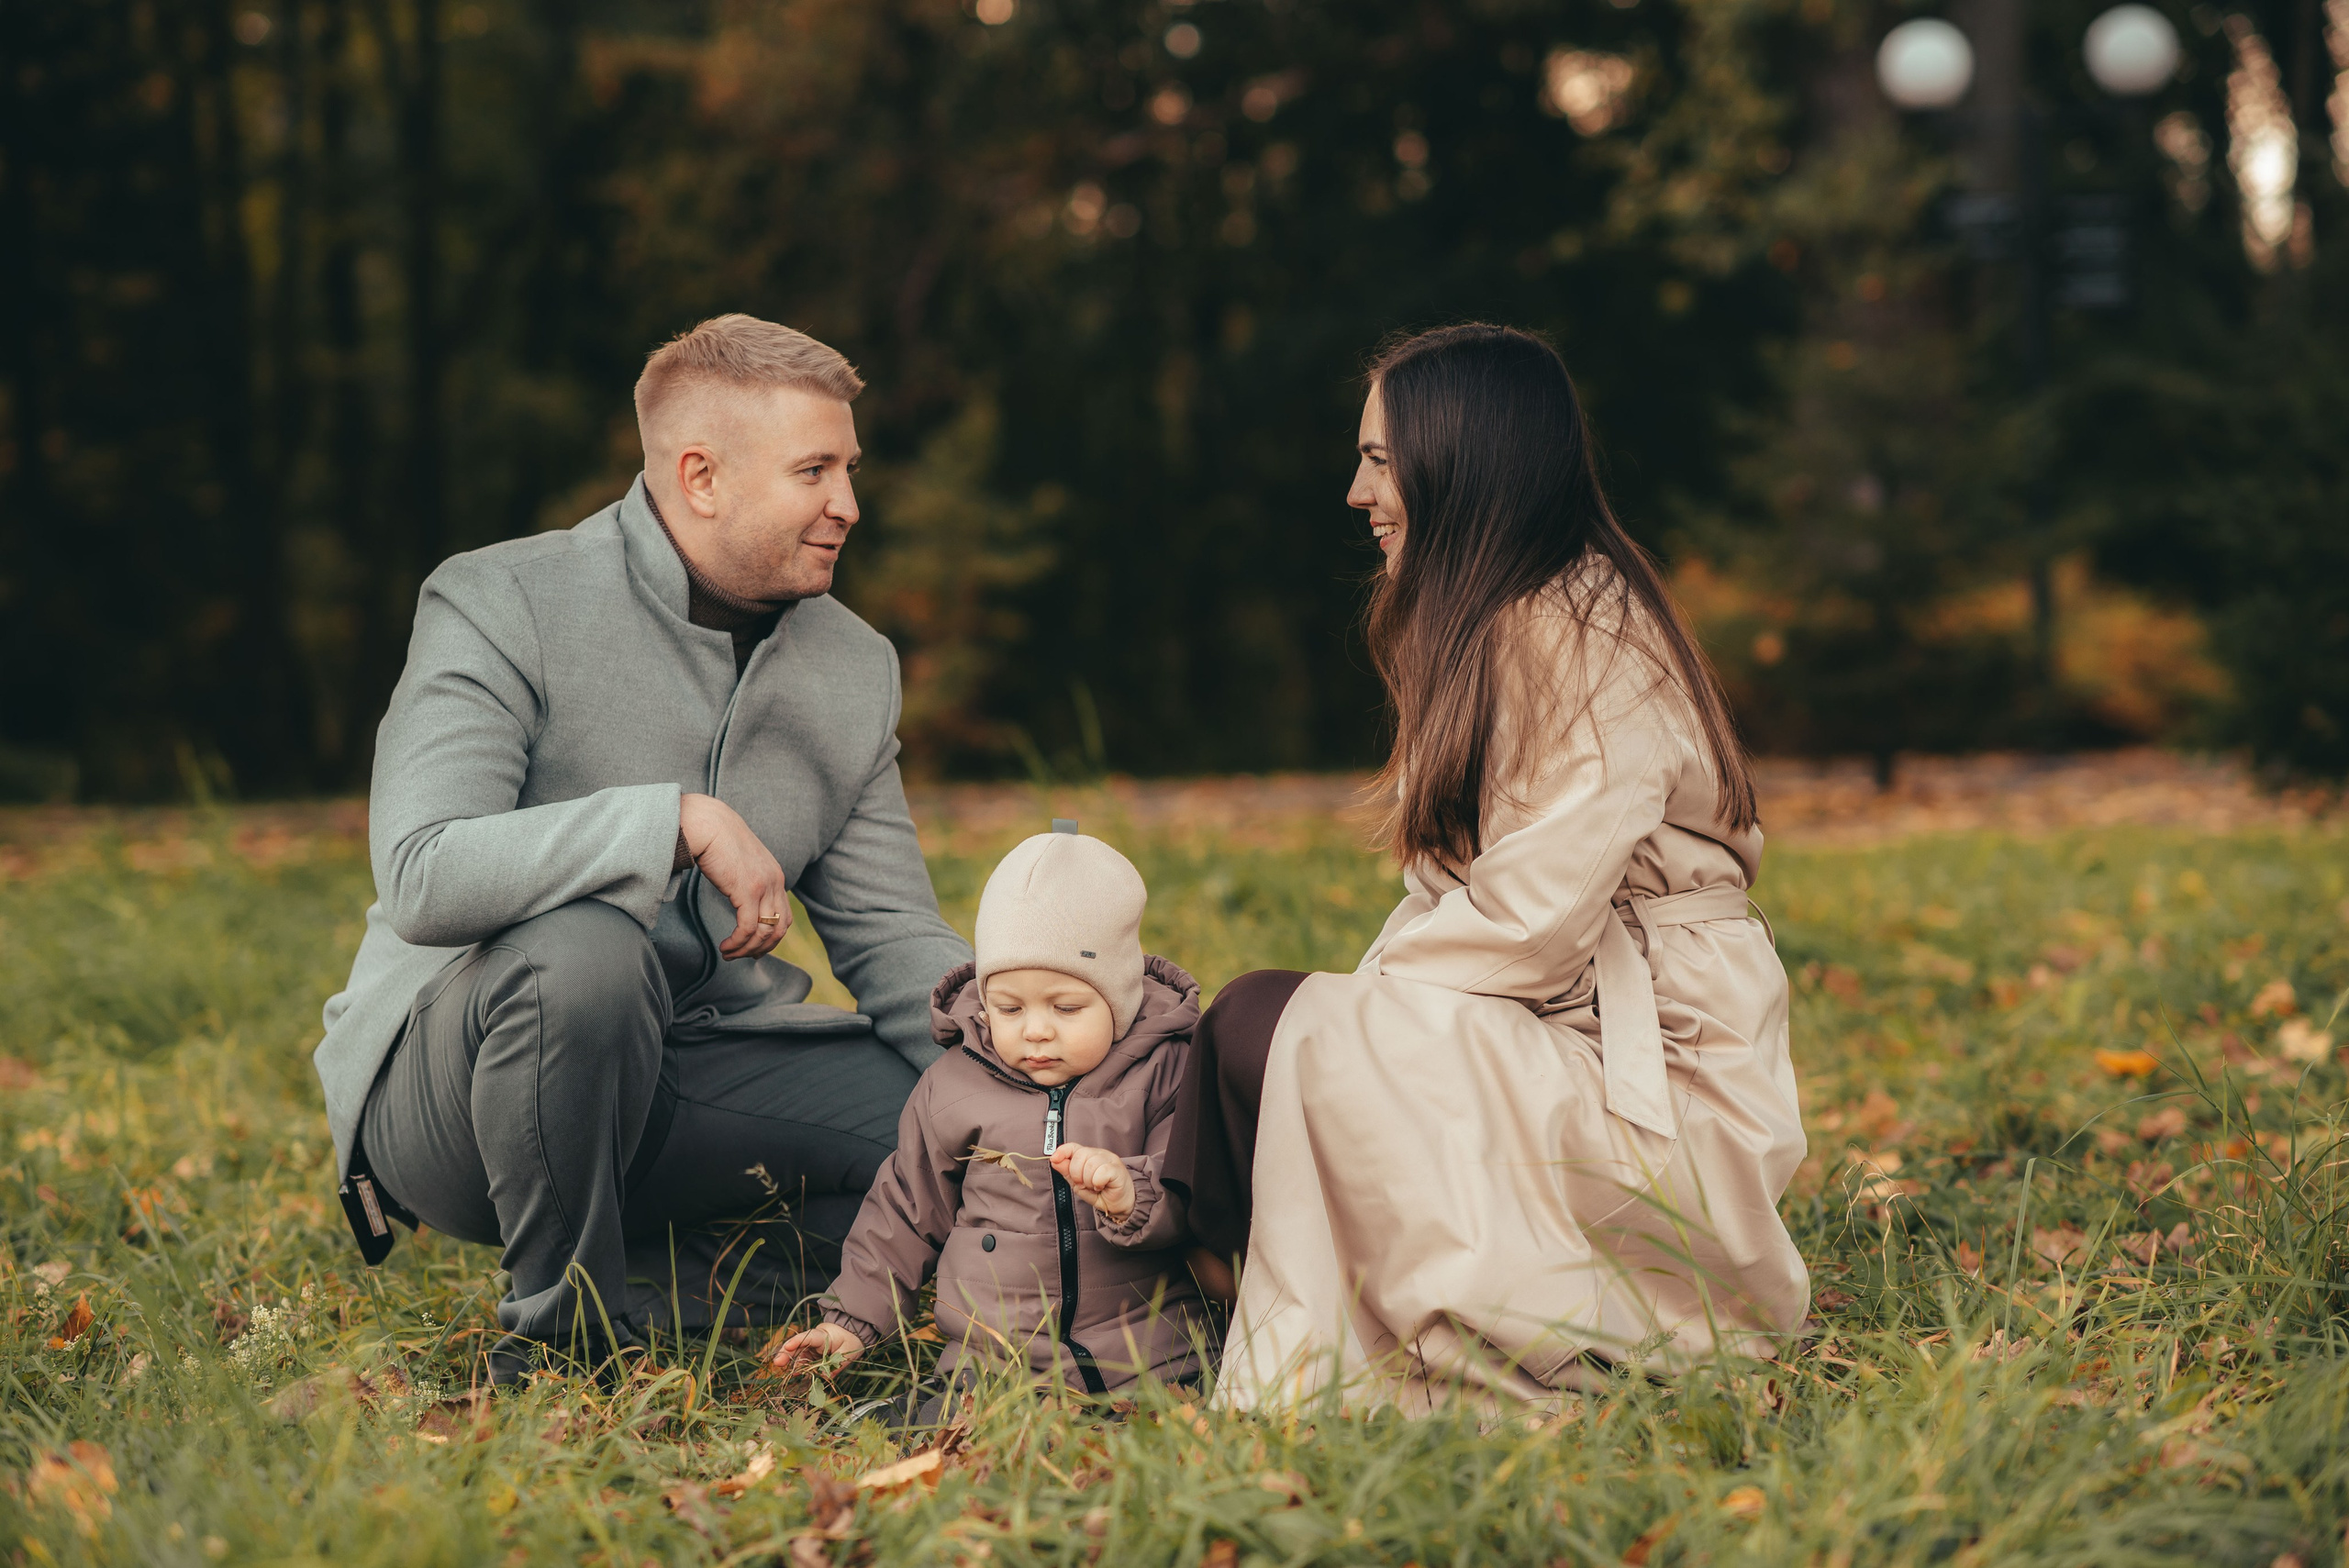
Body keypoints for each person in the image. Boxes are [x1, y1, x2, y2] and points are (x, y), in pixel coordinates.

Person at [312, 314, 972, 1379]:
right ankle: (558, 1343)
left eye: (849, 469)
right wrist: (669, 820)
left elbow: (892, 933)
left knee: (960, 1139)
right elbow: (425, 872)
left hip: (703, 1072)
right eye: (814, 470)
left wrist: (1027, 1063)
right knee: (585, 947)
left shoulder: (854, 667)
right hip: (462, 1088)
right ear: (700, 476)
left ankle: (648, 1294)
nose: (848, 503)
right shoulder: (501, 599)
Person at [1171, 324, 1809, 1412]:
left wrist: (1354, 1018)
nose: (1356, 492)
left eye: (1379, 460)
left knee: (1263, 1023)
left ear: (1459, 459)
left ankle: (1196, 1313)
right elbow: (1466, 905)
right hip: (1560, 1015)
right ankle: (1195, 1303)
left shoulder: (1580, 635)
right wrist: (1355, 1015)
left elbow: (1533, 922)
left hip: (1649, 1071)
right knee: (1259, 1025)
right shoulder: (1510, 619)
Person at [775, 827, 1209, 1399]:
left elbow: (1196, 1189)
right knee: (928, 1426)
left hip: (1150, 1357)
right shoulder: (954, 1085)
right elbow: (905, 1210)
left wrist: (1133, 1194)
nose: (1036, 1030)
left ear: (1121, 999)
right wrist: (850, 1322)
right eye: (1008, 1008)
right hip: (993, 1364)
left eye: (1067, 1007)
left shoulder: (1165, 1071)